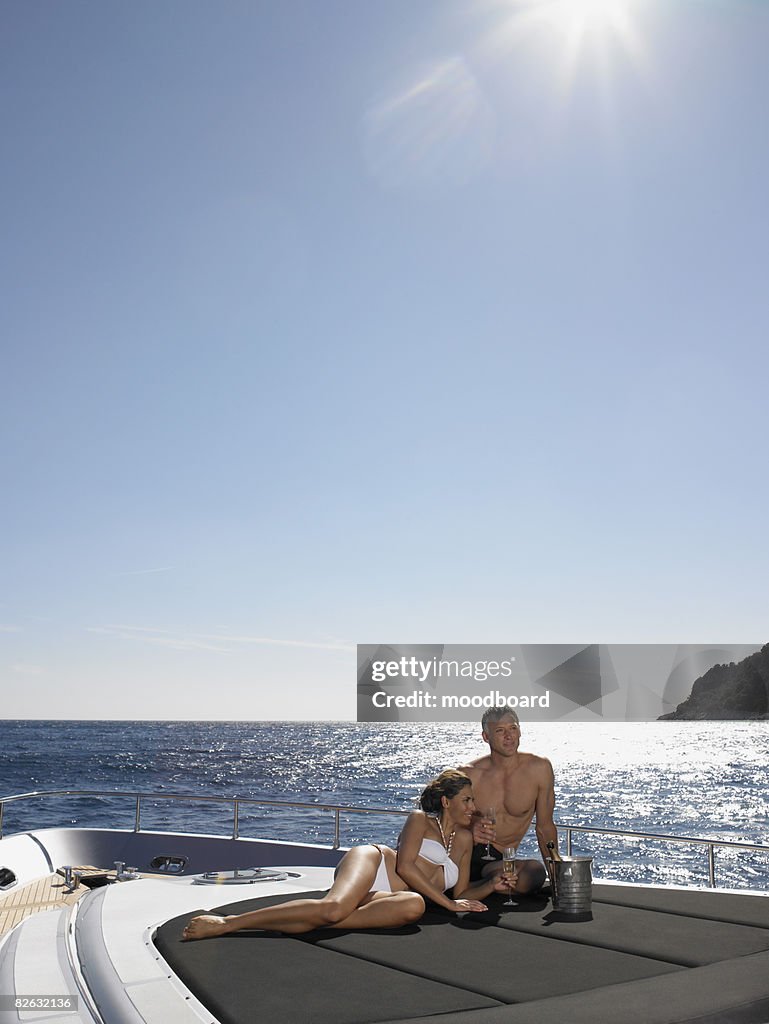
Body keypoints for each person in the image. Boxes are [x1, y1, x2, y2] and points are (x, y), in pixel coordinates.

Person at [182, 769, 512, 940]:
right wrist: (448, 904)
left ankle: (315, 922)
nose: (473, 806)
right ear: (446, 802)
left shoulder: (465, 839)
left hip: (390, 897)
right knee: (335, 907)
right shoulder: (420, 821)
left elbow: (463, 892)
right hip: (373, 864)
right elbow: (409, 869)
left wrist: (492, 885)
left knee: (413, 905)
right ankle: (229, 924)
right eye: (467, 800)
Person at [459, 707, 559, 894]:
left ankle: (473, 886)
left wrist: (556, 873)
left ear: (519, 731)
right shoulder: (469, 774)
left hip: (497, 861)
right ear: (486, 737)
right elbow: (441, 817)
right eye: (500, 731)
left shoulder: (539, 769)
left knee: (534, 873)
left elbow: (545, 827)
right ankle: (466, 886)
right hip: (462, 852)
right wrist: (471, 824)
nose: (509, 736)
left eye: (512, 728)